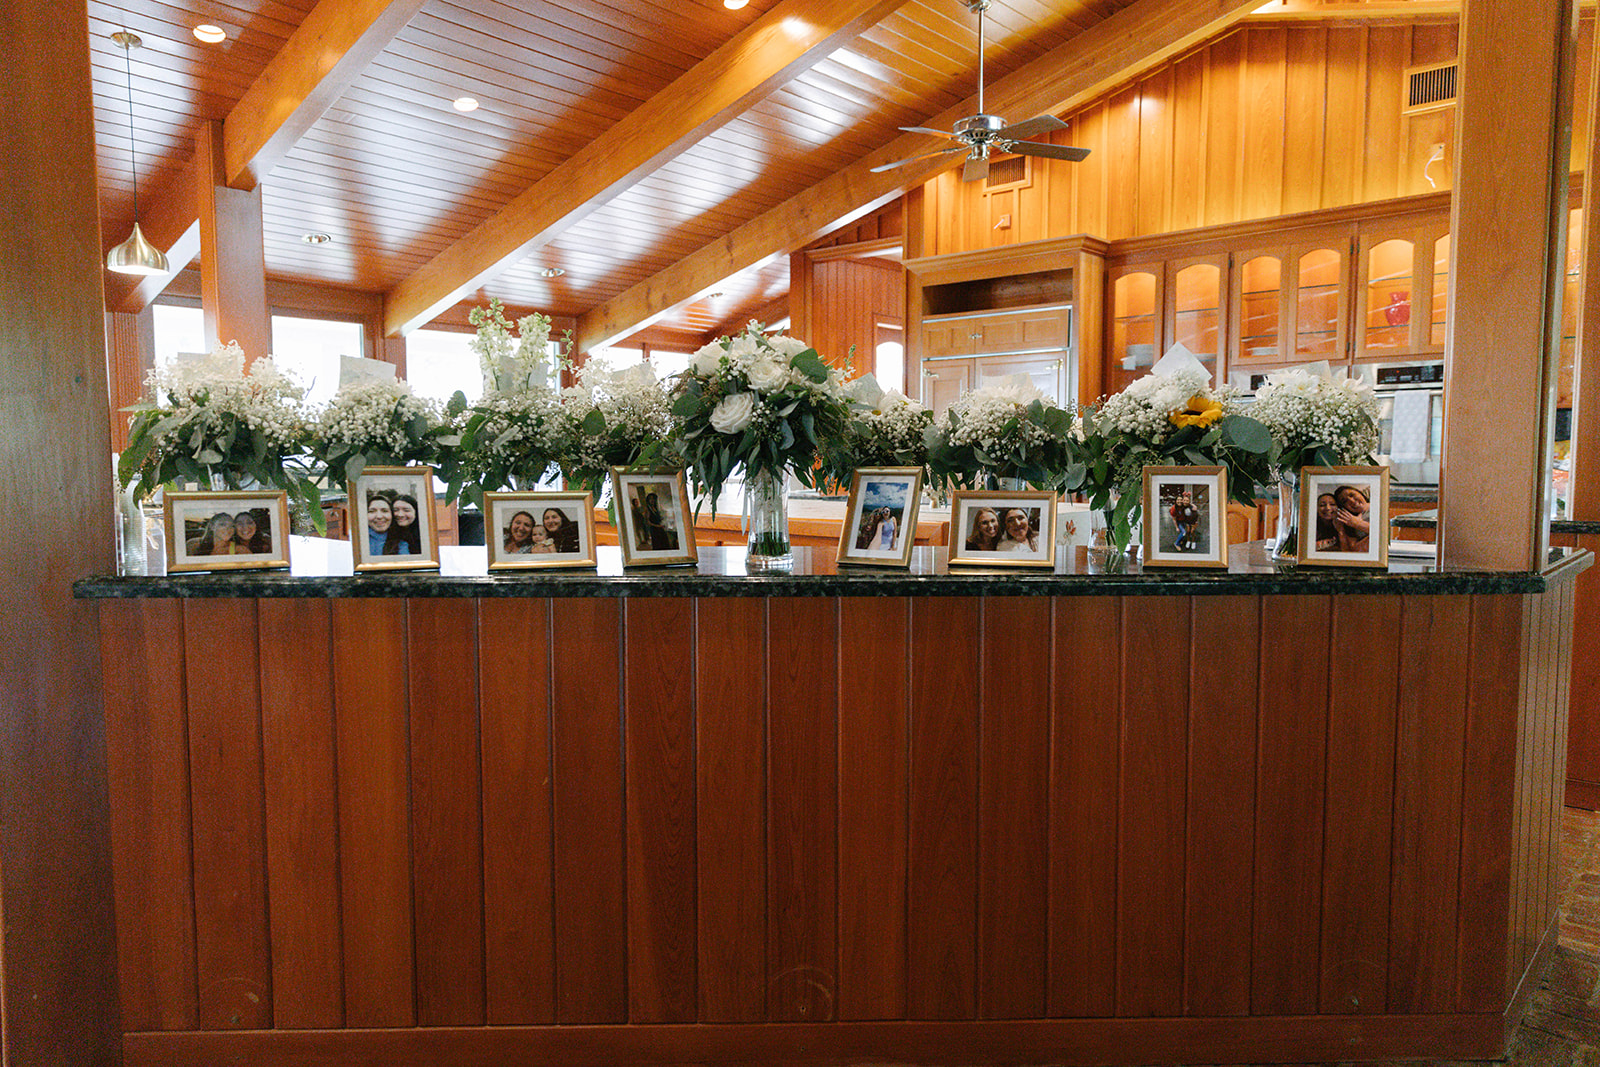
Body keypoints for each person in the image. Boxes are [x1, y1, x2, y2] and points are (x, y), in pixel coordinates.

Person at [1331, 484, 1372, 553]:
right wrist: (1341, 530)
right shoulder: (1348, 521)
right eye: (1344, 501)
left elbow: (1384, 534)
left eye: (1351, 495)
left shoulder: (1380, 505)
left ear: (1359, 492)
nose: (1351, 501)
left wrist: (1358, 524)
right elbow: (1349, 552)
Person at [365, 493, 393, 557]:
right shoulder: (358, 540)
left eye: (385, 511)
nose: (379, 516)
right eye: (372, 511)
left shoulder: (401, 543)